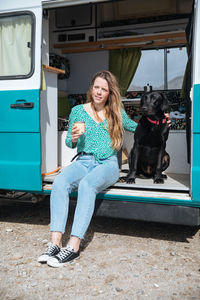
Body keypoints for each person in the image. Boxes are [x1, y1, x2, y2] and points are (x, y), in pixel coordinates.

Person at [38, 70, 138, 268]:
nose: (99, 92)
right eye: (96, 87)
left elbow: (136, 127)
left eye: (104, 89)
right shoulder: (78, 111)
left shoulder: (116, 111)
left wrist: (159, 122)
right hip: (83, 161)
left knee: (87, 185)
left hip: (108, 163)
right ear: (91, 88)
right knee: (60, 182)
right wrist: (73, 138)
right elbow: (69, 142)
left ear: (110, 92)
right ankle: (55, 243)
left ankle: (73, 247)